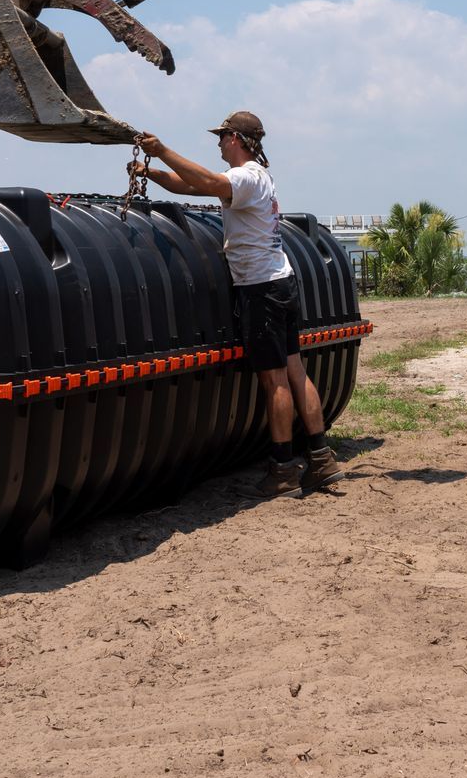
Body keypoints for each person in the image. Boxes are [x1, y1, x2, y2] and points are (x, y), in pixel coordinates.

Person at [132, 111, 344, 497]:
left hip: (261, 288)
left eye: (221, 136)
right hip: (281, 280)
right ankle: (321, 459)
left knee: (274, 378)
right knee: (296, 372)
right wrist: (153, 174)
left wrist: (162, 150)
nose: (217, 143)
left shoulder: (245, 176)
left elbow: (208, 181)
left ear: (235, 138)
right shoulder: (254, 178)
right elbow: (196, 186)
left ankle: (282, 470)